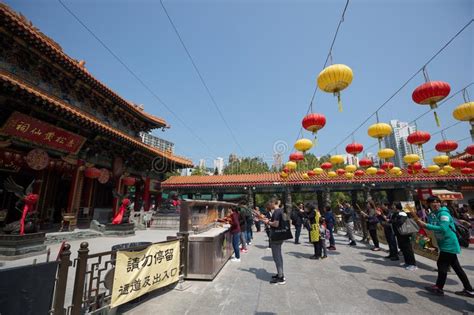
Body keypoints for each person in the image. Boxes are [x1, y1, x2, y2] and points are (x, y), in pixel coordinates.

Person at [415, 196, 474, 297]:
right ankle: (469, 289)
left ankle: (439, 288)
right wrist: (423, 222)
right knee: (457, 268)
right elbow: (431, 226)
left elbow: (443, 228)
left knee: (442, 265)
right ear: (428, 204)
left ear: (440, 203)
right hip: (442, 243)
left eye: (437, 202)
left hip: (449, 243)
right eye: (432, 202)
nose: (435, 204)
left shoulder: (444, 213)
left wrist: (425, 225)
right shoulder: (432, 214)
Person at [262, 199, 286, 285]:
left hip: (276, 236)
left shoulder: (276, 212)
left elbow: (276, 224)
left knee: (276, 257)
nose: (269, 205)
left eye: (270, 203)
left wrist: (267, 222)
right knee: (278, 255)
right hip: (280, 235)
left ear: (273, 203)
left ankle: (281, 277)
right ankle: (280, 273)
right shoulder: (281, 211)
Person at [391, 203, 417, 271]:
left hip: (405, 234)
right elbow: (392, 221)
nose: (392, 207)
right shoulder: (395, 214)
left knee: (408, 249)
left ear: (397, 207)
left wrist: (394, 221)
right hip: (399, 234)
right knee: (404, 249)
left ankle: (412, 264)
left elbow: (400, 222)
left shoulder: (402, 213)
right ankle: (407, 262)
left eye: (393, 205)